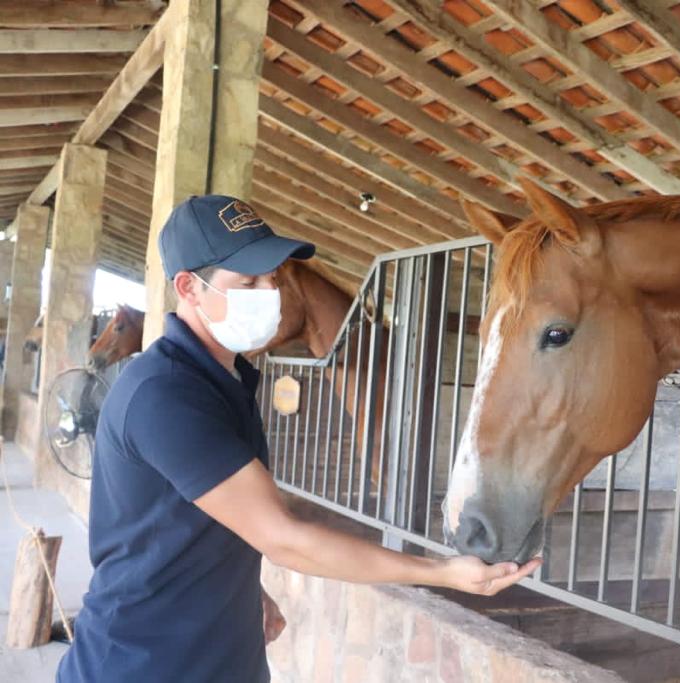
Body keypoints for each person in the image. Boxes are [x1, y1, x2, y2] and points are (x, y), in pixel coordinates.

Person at [56, 195, 540, 682]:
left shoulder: (224, 380)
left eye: (271, 278)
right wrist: (442, 572)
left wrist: (243, 592)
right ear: (189, 287)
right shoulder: (165, 395)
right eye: (247, 282)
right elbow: (286, 540)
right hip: (139, 666)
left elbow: (202, 516)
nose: (270, 292)